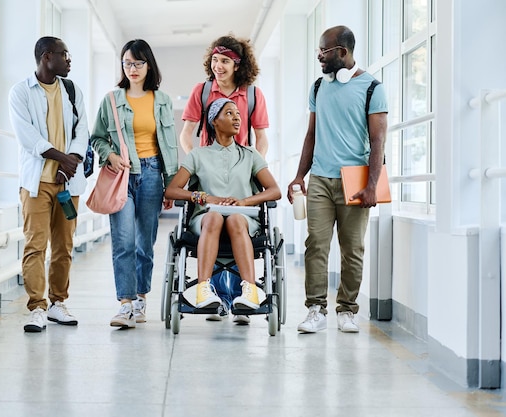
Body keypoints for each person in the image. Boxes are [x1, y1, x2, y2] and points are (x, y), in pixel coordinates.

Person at [287, 25, 388, 334]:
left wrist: (372, 185)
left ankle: (347, 309)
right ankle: (315, 309)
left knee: (352, 248)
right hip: (319, 178)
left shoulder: (372, 87)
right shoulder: (319, 87)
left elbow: (378, 140)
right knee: (315, 244)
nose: (319, 56)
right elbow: (311, 134)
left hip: (355, 181)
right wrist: (298, 176)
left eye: (324, 51)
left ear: (342, 52)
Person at [180, 34, 271, 323]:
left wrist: (253, 167)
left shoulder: (253, 95)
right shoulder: (203, 91)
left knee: (235, 220)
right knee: (214, 219)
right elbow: (187, 135)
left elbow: (261, 139)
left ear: (238, 65)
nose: (218, 66)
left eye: (225, 61)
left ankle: (243, 298)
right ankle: (215, 298)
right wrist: (200, 163)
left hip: (243, 168)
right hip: (209, 170)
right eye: (215, 60)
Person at [90, 39, 179, 329]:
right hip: (122, 176)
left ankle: (141, 298)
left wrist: (170, 184)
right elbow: (97, 137)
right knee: (124, 241)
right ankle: (125, 304)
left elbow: (169, 144)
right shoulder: (111, 100)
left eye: (138, 63)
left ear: (148, 65)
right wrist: (109, 155)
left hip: (153, 173)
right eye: (127, 63)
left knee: (145, 243)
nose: (133, 69)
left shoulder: (162, 100)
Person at [165, 98, 281, 314]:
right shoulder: (198, 155)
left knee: (236, 218)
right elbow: (172, 190)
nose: (237, 117)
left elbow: (275, 191)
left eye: (238, 114)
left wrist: (244, 201)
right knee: (214, 217)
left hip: (244, 219)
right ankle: (203, 290)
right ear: (214, 122)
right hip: (206, 220)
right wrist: (205, 198)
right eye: (229, 113)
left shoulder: (250, 155)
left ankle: (250, 291)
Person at [8, 36, 89, 332]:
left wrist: (70, 164)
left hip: (68, 183)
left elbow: (83, 131)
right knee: (35, 246)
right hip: (36, 182)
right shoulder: (20, 92)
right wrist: (60, 159)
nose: (69, 60)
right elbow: (27, 137)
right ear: (46, 57)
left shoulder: (71, 90)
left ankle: (57, 304)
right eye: (64, 55)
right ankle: (36, 308)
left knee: (64, 247)